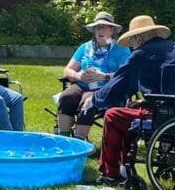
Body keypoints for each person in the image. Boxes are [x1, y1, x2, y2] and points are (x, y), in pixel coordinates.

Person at [81, 15, 175, 186]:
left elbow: (120, 82)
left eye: (132, 41)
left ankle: (110, 174)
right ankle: (126, 168)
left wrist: (94, 99)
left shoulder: (142, 54)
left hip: (164, 113)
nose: (131, 46)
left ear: (139, 37)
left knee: (112, 115)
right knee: (130, 111)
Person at [55, 12, 130, 140]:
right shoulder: (85, 47)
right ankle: (64, 139)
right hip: (82, 84)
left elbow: (126, 74)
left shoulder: (121, 49)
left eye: (104, 27)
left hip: (106, 88)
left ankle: (79, 142)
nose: (100, 30)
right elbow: (67, 70)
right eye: (97, 27)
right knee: (66, 96)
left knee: (89, 101)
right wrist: (78, 75)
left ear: (112, 30)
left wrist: (104, 76)